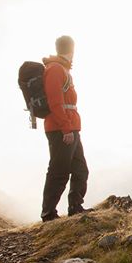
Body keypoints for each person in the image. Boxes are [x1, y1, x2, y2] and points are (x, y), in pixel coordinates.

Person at [40, 35, 91, 222]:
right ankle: (48, 213)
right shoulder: (55, 70)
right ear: (72, 50)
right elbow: (56, 102)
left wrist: (71, 128)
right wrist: (66, 128)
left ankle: (75, 207)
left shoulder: (61, 69)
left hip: (70, 127)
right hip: (61, 129)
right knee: (59, 171)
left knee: (80, 169)